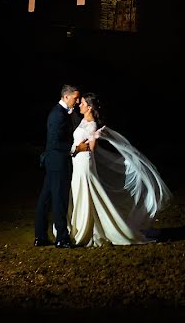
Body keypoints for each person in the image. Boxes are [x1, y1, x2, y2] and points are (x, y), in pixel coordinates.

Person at [60, 92, 171, 247]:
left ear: (89, 107)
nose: (80, 104)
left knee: (87, 193)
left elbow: (91, 148)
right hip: (77, 163)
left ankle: (90, 229)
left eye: (83, 103)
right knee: (80, 192)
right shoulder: (83, 120)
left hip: (84, 163)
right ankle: (83, 226)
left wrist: (80, 147)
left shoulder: (91, 123)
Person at [34, 84, 88, 248]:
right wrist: (76, 149)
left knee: (46, 199)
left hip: (53, 161)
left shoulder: (61, 113)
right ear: (66, 97)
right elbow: (56, 142)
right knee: (59, 200)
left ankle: (41, 236)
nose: (77, 101)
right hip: (58, 162)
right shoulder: (58, 114)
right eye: (75, 97)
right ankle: (61, 239)